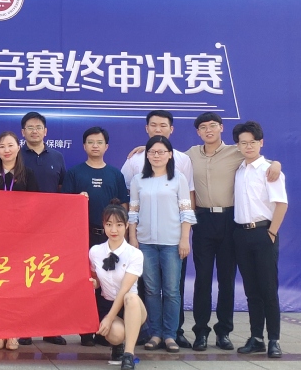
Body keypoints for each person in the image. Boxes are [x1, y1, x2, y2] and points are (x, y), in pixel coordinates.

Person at [185, 112, 281, 352]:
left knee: (226, 280)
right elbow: (166, 156)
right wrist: (142, 149)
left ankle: (224, 332)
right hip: (202, 220)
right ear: (198, 132)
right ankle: (201, 332)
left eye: (213, 125)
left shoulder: (236, 151)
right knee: (202, 279)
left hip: (230, 221)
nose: (208, 130)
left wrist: (276, 164)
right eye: (203, 127)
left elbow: (258, 158)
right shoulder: (190, 155)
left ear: (221, 128)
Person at [121, 110, 195, 349]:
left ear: (170, 155)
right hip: (146, 243)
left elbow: (186, 211)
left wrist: (185, 239)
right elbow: (133, 212)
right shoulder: (138, 180)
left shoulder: (179, 179)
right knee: (152, 290)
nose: (156, 155)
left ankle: (170, 334)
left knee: (172, 291)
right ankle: (155, 334)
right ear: (147, 155)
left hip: (173, 242)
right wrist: (133, 238)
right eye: (152, 152)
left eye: (161, 152)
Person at [65, 127, 129, 347]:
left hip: (111, 239)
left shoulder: (115, 174)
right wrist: (77, 199)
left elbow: (123, 207)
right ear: (84, 146)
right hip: (84, 238)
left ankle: (106, 331)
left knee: (108, 284)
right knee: (86, 283)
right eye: (90, 142)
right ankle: (85, 332)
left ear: (106, 146)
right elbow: (65, 206)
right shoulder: (74, 173)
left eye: (99, 142)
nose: (95, 145)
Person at [231, 121, 287, 358]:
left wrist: (271, 233)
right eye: (243, 143)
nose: (248, 146)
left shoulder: (270, 170)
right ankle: (256, 338)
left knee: (268, 289)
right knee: (251, 290)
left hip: (263, 233)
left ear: (261, 143)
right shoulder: (238, 169)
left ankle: (274, 339)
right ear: (238, 145)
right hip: (240, 234)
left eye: (252, 142)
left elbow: (281, 204)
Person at [0, 131, 39, 351]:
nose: (6, 150)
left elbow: (37, 206)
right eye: (1, 146)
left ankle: (14, 330)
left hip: (20, 240)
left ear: (18, 147)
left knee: (16, 286)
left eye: (10, 145)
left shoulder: (29, 175)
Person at [19, 111, 68, 346]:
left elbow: (63, 190)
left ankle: (51, 329)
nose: (34, 131)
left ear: (45, 131)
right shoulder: (16, 156)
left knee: (49, 277)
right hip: (22, 228)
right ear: (23, 132)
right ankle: (25, 328)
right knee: (24, 277)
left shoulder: (57, 157)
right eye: (30, 127)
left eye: (38, 127)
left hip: (51, 227)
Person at [89, 199, 148, 370]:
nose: (113, 230)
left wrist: (108, 318)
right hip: (107, 304)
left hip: (132, 307)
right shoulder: (95, 252)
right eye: (109, 224)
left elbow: (124, 289)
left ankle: (128, 355)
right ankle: (118, 345)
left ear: (127, 225)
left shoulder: (135, 254)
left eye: (119, 225)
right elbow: (96, 280)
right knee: (115, 335)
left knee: (130, 297)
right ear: (103, 225)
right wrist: (94, 283)